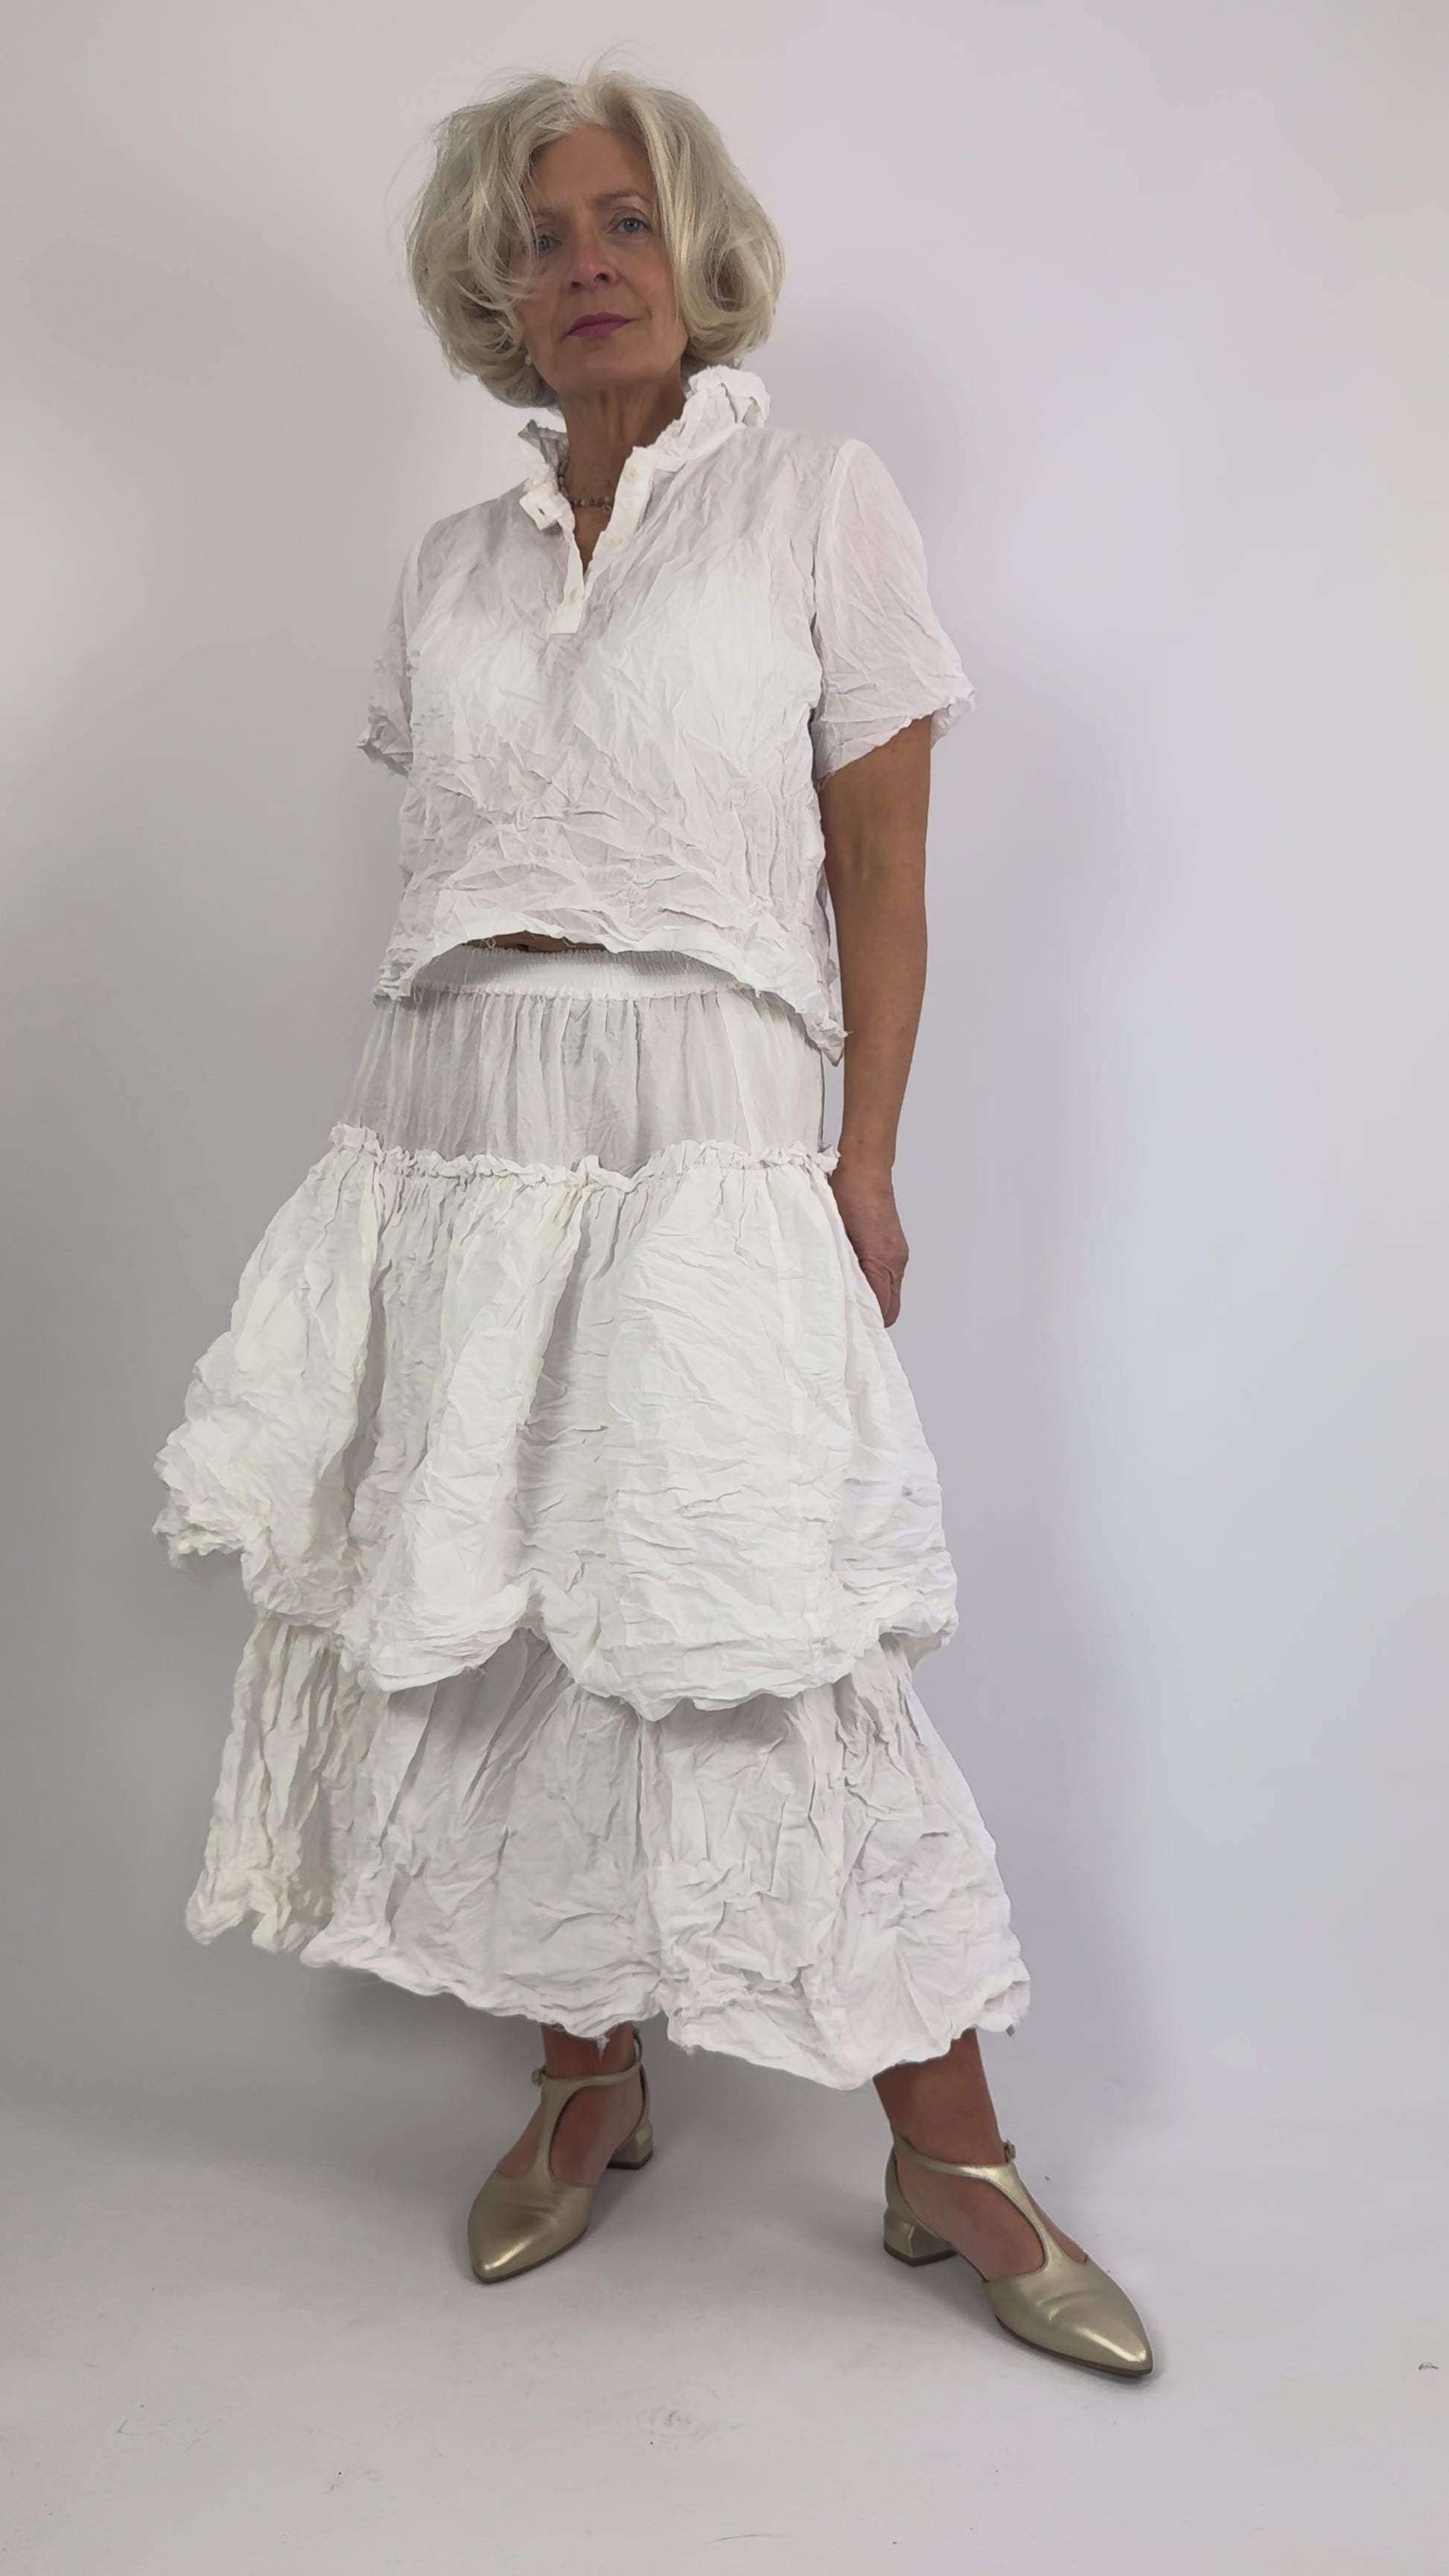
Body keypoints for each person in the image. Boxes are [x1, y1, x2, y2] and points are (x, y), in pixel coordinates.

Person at [153, 58, 1153, 2378]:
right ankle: (583, 2070)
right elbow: (458, 858)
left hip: (705, 1110)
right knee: (507, 1589)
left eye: (621, 222)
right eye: (539, 239)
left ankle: (950, 2147)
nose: (584, 265)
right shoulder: (453, 563)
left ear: (694, 252)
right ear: (488, 290)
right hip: (456, 1105)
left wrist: (864, 1158)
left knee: (749, 1607)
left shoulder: (812, 499)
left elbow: (881, 866)